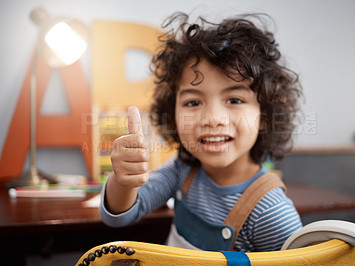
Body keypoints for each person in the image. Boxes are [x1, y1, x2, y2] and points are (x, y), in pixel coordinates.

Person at [100, 12, 303, 252]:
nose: (212, 119)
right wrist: (123, 181)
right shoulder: (182, 168)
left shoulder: (272, 211)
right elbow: (120, 216)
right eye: (193, 103)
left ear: (264, 116)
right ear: (172, 112)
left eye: (235, 99)